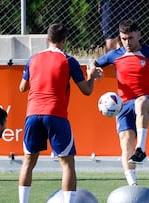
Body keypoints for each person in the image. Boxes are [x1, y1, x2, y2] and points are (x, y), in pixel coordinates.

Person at [18, 23, 99, 203]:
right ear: (64, 40)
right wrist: (92, 75)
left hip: (32, 114)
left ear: (47, 39)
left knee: (28, 162)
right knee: (67, 163)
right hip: (55, 113)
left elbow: (22, 87)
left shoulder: (33, 59)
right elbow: (86, 90)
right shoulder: (69, 61)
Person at [91, 19, 149, 185]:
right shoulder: (115, 54)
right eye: (123, 38)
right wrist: (93, 70)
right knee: (126, 143)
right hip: (122, 106)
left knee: (140, 103)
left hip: (146, 102)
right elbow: (93, 63)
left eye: (130, 38)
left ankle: (141, 148)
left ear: (139, 35)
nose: (127, 42)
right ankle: (132, 185)